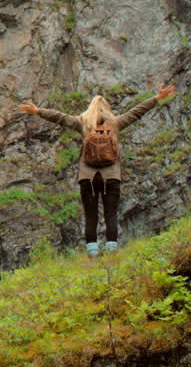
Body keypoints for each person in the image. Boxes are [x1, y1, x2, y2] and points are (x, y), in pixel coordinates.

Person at [18, 85, 177, 257]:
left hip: (88, 177)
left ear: (90, 108)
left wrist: (37, 111)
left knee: (91, 215)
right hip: (112, 175)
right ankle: (112, 252)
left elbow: (60, 118)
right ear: (107, 108)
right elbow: (137, 111)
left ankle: (93, 253)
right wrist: (157, 97)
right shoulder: (115, 123)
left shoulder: (83, 123)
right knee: (111, 213)